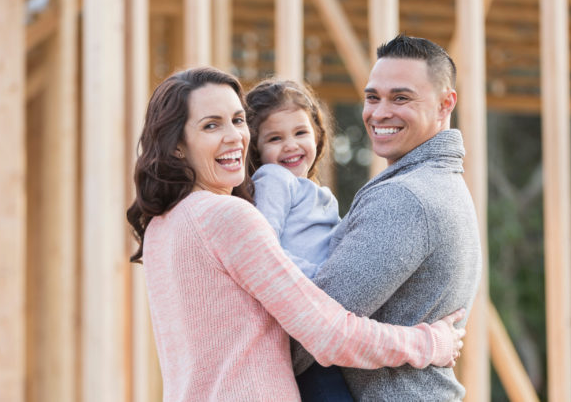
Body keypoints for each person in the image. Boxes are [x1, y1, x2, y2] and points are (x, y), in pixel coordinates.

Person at [126, 67, 466, 401]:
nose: (234, 136)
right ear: (177, 146)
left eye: (238, 119)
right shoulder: (226, 217)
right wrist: (430, 343)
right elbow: (328, 333)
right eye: (211, 125)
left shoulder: (160, 226)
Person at [291, 34, 483, 401]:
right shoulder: (441, 185)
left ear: (446, 104)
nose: (379, 113)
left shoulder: (406, 198)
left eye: (401, 98)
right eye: (372, 97)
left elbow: (313, 328)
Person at [246, 79, 352, 400]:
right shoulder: (273, 180)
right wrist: (317, 282)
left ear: (317, 136)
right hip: (301, 322)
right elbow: (266, 249)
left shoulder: (321, 194)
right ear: (257, 150)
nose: (290, 145)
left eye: (300, 133)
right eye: (275, 138)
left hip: (319, 322)